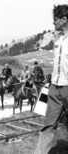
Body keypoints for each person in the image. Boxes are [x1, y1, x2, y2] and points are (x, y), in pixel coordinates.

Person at [34, 4, 68, 154]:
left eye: (56, 20)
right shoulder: (58, 39)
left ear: (65, 19)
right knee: (48, 125)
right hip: (55, 88)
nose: (53, 23)